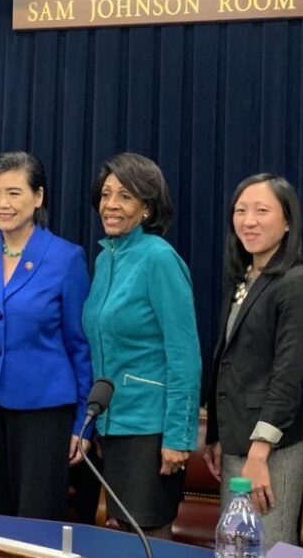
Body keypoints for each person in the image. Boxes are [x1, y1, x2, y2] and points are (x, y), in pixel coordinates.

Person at [0, 151, 93, 520]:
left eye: (13, 193)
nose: (2, 204)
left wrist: (83, 425)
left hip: (45, 413)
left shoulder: (66, 257)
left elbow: (81, 347)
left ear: (38, 197)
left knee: (37, 519)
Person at [81, 152, 201, 539]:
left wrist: (178, 438)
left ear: (147, 207)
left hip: (151, 429)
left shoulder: (159, 259)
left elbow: (185, 355)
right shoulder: (105, 260)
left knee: (148, 539)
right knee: (121, 534)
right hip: (115, 426)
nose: (111, 204)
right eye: (106, 194)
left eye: (125, 196)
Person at [203, 174, 303, 548]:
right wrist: (218, 435)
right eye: (240, 211)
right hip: (238, 441)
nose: (248, 221)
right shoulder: (246, 278)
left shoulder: (296, 282)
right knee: (236, 550)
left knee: (269, 549)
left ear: (287, 222)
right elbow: (231, 363)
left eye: (261, 211)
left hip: (271, 449)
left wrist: (259, 450)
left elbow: (287, 375)